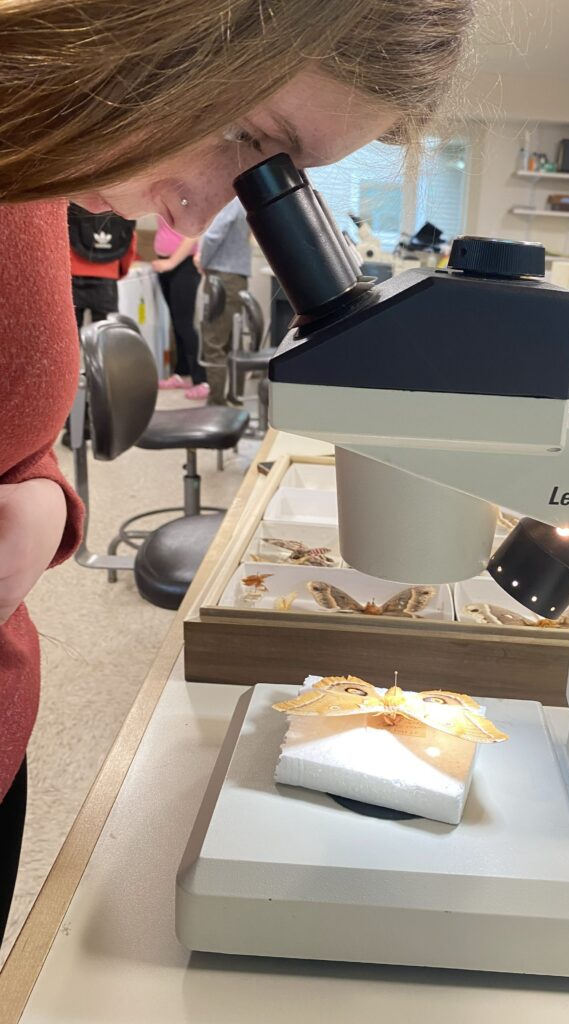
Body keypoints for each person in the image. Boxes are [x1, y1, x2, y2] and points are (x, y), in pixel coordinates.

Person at [0, 0, 475, 948]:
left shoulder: (35, 170)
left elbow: (19, 432)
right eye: (250, 135)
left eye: (271, 174)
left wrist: (44, 503)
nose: (195, 215)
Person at [196, 198, 252, 406]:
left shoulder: (230, 199)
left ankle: (216, 404)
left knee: (214, 341)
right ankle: (233, 398)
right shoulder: (245, 199)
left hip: (222, 276)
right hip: (237, 278)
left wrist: (202, 261)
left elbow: (213, 235)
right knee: (231, 341)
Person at [152, 221, 206, 399]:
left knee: (185, 324)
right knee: (177, 323)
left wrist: (172, 262)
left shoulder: (187, 197)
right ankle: (182, 373)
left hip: (182, 266)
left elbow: (194, 233)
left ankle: (201, 380)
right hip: (166, 264)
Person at [68, 203, 137, 327]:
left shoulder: (74, 202)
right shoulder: (119, 205)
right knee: (107, 331)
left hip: (73, 275)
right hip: (107, 276)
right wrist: (120, 272)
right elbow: (129, 242)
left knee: (70, 332)